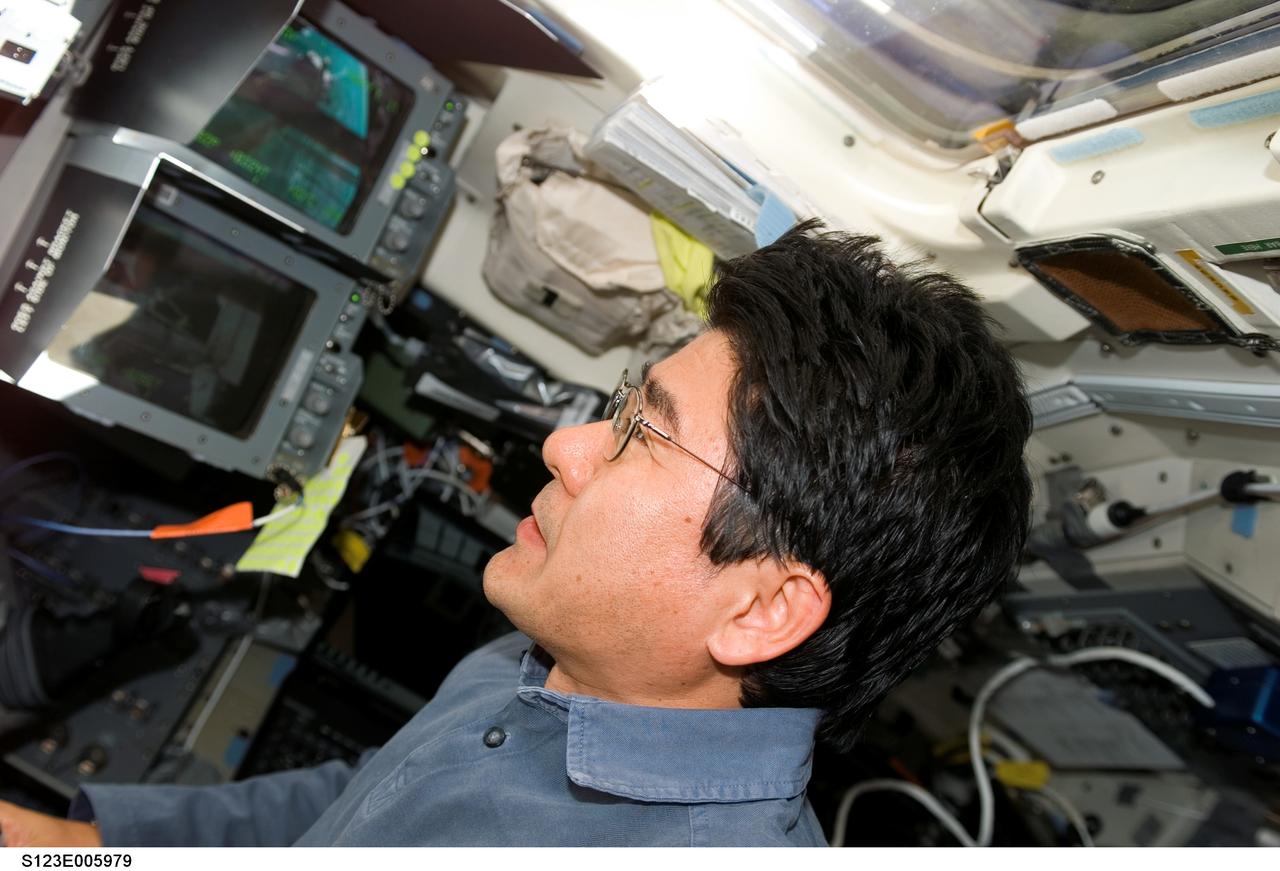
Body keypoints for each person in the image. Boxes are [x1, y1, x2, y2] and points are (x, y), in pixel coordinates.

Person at [0, 221, 1032, 847]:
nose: (566, 447)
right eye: (620, 406)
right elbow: (360, 806)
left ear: (763, 608)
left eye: (641, 435)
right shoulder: (537, 661)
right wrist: (77, 841)